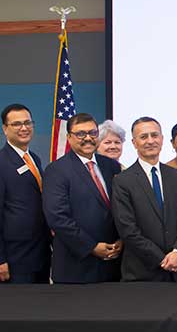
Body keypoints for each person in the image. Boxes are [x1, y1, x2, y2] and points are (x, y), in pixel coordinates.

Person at [112, 116, 177, 282]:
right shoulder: (122, 181)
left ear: (162, 139)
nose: (150, 141)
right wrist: (161, 258)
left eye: (154, 135)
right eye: (143, 137)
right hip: (141, 273)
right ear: (134, 143)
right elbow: (128, 230)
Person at [42, 113, 122, 283]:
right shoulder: (56, 170)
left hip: (113, 263)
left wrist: (122, 240)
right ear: (69, 137)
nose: (88, 138)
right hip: (76, 267)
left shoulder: (111, 166)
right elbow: (58, 218)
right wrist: (91, 247)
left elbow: (121, 209)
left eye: (92, 133)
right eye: (80, 134)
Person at [0, 103, 50, 283]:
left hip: (40, 253)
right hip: (15, 258)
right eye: (17, 124)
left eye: (28, 123)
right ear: (5, 129)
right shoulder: (2, 162)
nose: (24, 128)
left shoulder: (34, 158)